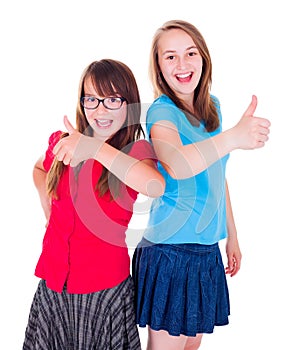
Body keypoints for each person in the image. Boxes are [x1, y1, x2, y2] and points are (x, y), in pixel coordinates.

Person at [132, 20, 271, 350]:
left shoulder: (213, 108)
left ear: (203, 58)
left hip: (206, 252)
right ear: (159, 68)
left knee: (191, 346)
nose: (182, 65)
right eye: (170, 57)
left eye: (190, 53)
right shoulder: (162, 113)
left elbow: (217, 176)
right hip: (169, 252)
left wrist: (231, 235)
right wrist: (233, 138)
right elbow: (177, 164)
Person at [22, 58, 165, 350]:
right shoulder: (63, 142)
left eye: (113, 99)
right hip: (54, 288)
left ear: (129, 103)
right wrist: (46, 206)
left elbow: (155, 185)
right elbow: (38, 169)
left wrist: (96, 148)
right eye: (92, 99)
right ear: (82, 103)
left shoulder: (136, 152)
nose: (101, 110)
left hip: (104, 291)